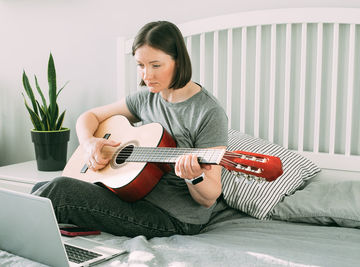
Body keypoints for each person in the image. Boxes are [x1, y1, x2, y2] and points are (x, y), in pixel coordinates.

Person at [33, 21, 228, 238]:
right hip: (133, 196)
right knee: (41, 188)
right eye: (140, 65)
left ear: (178, 61)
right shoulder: (146, 98)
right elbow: (90, 117)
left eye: (155, 65)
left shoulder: (209, 112)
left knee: (59, 191)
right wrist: (89, 142)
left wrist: (194, 177)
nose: (147, 75)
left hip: (174, 217)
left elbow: (210, 196)